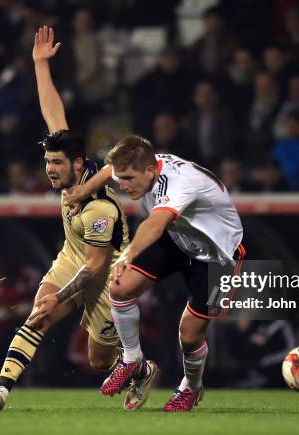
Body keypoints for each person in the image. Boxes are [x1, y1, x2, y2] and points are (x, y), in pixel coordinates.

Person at [0, 26, 142, 411]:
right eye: (48, 162)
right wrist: (39, 65)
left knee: (98, 360)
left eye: (57, 163)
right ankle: (1, 390)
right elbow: (52, 111)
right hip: (73, 255)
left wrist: (61, 298)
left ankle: (140, 366)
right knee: (39, 314)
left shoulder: (100, 207)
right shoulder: (69, 162)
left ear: (78, 165)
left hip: (107, 274)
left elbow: (94, 268)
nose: (50, 170)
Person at [65, 137, 245, 412]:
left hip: (216, 254)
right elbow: (108, 171)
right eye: (120, 178)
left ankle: (191, 388)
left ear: (150, 171)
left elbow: (156, 223)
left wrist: (127, 256)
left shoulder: (180, 183)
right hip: (179, 237)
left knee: (189, 335)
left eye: (127, 179)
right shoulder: (141, 163)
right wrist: (81, 192)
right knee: (120, 287)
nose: (122, 185)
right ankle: (132, 359)